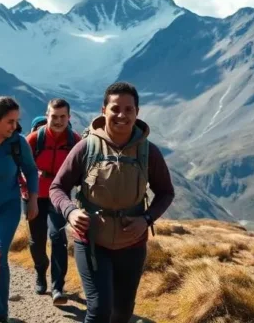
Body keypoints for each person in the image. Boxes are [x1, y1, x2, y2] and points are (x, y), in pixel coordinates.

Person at [50, 81, 175, 323]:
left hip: (132, 244)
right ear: (103, 110)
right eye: (115, 108)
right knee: (99, 310)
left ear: (137, 113)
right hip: (92, 242)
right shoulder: (85, 147)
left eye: (129, 109)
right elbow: (57, 187)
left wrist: (147, 219)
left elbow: (166, 192)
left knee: (122, 312)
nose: (122, 115)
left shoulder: (148, 152)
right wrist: (71, 212)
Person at [0, 95, 39, 323]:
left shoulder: (18, 143)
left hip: (8, 206)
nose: (15, 126)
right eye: (10, 121)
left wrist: (33, 200)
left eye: (16, 121)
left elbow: (30, 171)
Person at [19, 98, 79, 304]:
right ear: (47, 116)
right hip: (34, 195)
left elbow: (85, 169)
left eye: (63, 117)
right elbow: (19, 168)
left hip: (59, 196)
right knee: (37, 241)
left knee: (58, 238)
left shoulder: (75, 141)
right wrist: (27, 193)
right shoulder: (34, 139)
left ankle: (57, 287)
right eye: (54, 116)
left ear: (69, 117)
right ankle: (40, 272)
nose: (59, 121)